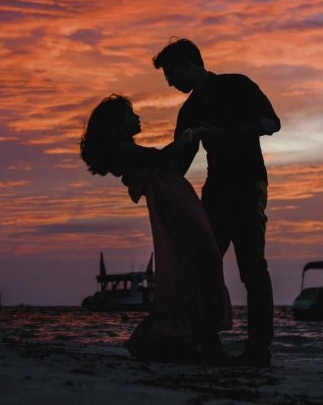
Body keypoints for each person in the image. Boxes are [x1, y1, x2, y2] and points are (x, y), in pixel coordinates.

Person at [152, 38, 280, 367]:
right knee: (202, 268)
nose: (169, 82)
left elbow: (271, 123)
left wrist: (224, 133)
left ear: (187, 64)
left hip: (249, 186)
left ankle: (258, 349)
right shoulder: (190, 110)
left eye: (170, 73)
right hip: (215, 191)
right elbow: (181, 161)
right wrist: (148, 167)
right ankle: (208, 345)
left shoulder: (238, 85)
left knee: (252, 268)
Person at [80, 95, 231, 363]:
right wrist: (188, 137)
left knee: (198, 263)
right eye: (130, 114)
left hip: (176, 199)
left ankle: (202, 340)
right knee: (200, 262)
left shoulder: (127, 150)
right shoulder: (124, 150)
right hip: (173, 202)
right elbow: (163, 157)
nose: (136, 117)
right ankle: (195, 340)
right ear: (118, 124)